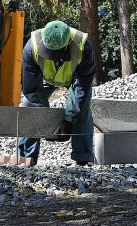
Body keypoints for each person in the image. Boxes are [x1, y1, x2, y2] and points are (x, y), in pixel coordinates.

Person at [18, 20, 96, 166]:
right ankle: (26, 159)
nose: (50, 56)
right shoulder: (31, 47)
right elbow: (31, 89)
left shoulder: (82, 46)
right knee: (29, 108)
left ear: (69, 42)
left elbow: (82, 87)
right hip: (43, 79)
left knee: (83, 108)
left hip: (73, 79)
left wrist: (69, 118)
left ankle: (83, 159)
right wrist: (45, 120)